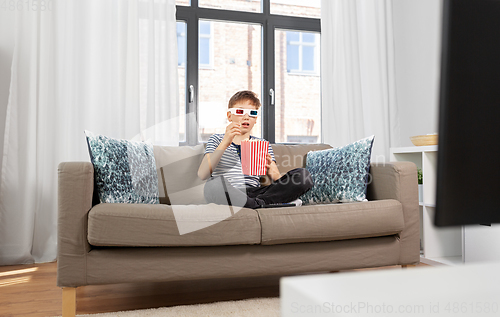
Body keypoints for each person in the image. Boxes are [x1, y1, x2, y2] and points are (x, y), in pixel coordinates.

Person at [198, 90, 313, 209]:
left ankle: (257, 204)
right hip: (230, 191)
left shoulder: (262, 144)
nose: (246, 117)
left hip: (257, 193)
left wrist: (272, 169)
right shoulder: (217, 140)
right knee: (213, 184)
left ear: (255, 119)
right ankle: (264, 205)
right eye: (240, 111)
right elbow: (202, 174)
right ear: (229, 116)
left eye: (252, 113)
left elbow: (279, 183)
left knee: (303, 176)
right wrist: (225, 143)